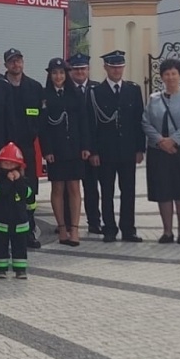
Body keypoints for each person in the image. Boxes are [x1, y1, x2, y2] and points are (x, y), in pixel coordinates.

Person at [90, 50, 146, 243]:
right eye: (112, 67)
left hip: (128, 150)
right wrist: (94, 151)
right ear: (105, 67)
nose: (116, 70)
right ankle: (109, 228)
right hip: (106, 151)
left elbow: (139, 120)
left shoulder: (133, 90)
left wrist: (140, 148)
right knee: (106, 192)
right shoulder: (96, 92)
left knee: (128, 191)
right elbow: (92, 124)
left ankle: (128, 228)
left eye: (119, 66)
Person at [143, 58, 180, 244]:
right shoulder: (154, 99)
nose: (170, 77)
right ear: (162, 77)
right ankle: (167, 231)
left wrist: (174, 141)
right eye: (166, 74)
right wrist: (160, 140)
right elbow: (145, 122)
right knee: (163, 191)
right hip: (159, 151)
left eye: (174, 73)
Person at [0, 48, 44, 248]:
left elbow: (41, 119)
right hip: (4, 151)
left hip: (26, 149)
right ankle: (3, 234)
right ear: (5, 65)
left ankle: (28, 232)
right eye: (11, 62)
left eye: (18, 61)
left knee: (28, 191)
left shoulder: (34, 87)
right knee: (4, 190)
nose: (15, 65)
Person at [39, 57, 84, 247]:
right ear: (50, 75)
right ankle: (62, 228)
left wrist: (86, 147)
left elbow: (84, 123)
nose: (58, 76)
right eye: (55, 73)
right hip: (55, 150)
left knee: (74, 187)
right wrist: (46, 149)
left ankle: (74, 228)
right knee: (57, 188)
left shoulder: (75, 94)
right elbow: (42, 126)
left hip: (74, 147)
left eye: (62, 73)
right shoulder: (44, 96)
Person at [66, 54, 104, 236]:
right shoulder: (64, 90)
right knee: (69, 189)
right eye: (76, 69)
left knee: (91, 188)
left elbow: (98, 124)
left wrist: (94, 150)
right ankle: (67, 223)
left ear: (88, 69)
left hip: (92, 149)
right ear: (70, 71)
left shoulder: (97, 89)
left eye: (83, 68)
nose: (80, 72)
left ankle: (94, 222)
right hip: (71, 149)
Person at [0, 143, 33, 279]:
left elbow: (28, 194)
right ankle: (1, 269)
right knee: (0, 246)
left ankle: (20, 269)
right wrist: (7, 181)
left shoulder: (24, 180)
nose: (8, 167)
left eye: (11, 164)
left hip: (20, 222)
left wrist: (18, 181)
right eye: (5, 164)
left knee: (20, 247)